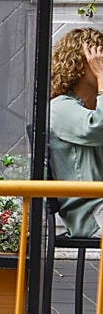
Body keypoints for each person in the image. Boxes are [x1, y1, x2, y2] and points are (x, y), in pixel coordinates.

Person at [49, 26, 103, 237]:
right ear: (81, 64)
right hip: (91, 212)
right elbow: (96, 128)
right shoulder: (59, 107)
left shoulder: (92, 108)